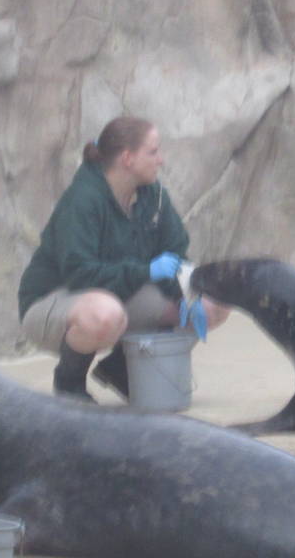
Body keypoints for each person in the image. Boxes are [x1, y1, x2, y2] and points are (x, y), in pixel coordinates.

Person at [16, 115, 227, 401]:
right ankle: (69, 382)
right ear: (128, 158)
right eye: (153, 152)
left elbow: (176, 250)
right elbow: (81, 275)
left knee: (213, 303)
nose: (161, 160)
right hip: (53, 301)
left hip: (119, 291)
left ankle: (120, 369)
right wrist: (144, 272)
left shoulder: (153, 195)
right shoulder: (83, 200)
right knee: (105, 314)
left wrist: (186, 294)